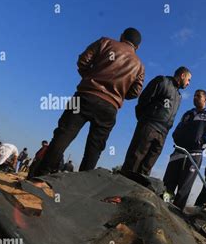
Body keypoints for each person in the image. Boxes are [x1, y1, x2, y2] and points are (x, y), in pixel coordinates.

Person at [35, 28, 145, 176]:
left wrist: (90, 79)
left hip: (85, 96)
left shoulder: (105, 42)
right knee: (95, 148)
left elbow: (83, 61)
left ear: (122, 36)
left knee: (64, 134)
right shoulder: (139, 66)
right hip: (110, 107)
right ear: (137, 47)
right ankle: (81, 186)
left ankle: (41, 175)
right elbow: (135, 92)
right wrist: (117, 93)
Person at [122, 67, 191, 176]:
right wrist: (145, 120)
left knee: (147, 166)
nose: (188, 83)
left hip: (163, 134)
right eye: (188, 79)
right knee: (134, 160)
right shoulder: (162, 81)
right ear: (182, 75)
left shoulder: (179, 96)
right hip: (149, 126)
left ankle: (136, 191)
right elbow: (144, 99)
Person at [163, 90, 206, 210]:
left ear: (205, 99)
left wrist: (204, 140)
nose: (195, 98)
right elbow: (177, 129)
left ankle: (175, 214)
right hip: (178, 153)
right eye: (194, 95)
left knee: (184, 188)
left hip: (194, 156)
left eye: (198, 96)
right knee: (167, 185)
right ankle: (162, 207)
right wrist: (176, 136)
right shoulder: (187, 114)